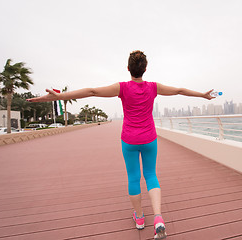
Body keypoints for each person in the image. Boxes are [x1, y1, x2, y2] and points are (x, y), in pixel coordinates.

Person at [27, 50, 216, 239]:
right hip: (150, 138)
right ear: (145, 69)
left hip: (129, 139)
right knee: (151, 175)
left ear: (128, 69)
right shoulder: (153, 87)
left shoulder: (122, 87)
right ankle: (158, 218)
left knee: (134, 178)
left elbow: (92, 91)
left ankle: (140, 218)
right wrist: (202, 95)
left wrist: (59, 97)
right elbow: (180, 90)